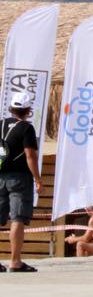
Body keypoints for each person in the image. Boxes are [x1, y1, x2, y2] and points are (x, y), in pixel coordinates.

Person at [0, 90, 43, 272]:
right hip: (19, 178)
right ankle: (15, 261)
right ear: (28, 110)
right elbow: (30, 156)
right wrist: (38, 179)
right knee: (17, 218)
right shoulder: (26, 128)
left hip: (0, 176)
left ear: (11, 108)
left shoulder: (1, 124)